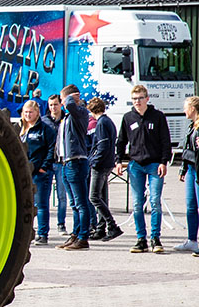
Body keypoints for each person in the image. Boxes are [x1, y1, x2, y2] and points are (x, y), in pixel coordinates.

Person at [116, 84, 172, 254]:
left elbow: (165, 141)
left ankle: (155, 238)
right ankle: (141, 239)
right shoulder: (128, 118)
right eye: (134, 99)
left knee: (155, 201)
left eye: (140, 98)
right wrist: (119, 160)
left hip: (154, 164)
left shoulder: (157, 117)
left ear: (147, 99)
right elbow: (121, 141)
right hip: (135, 165)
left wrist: (164, 161)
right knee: (137, 203)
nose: (137, 102)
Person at [56, 84, 93, 250]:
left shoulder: (80, 112)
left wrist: (71, 98)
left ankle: (83, 237)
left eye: (63, 100)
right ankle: (76, 233)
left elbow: (71, 105)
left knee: (81, 203)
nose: (63, 104)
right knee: (74, 204)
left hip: (77, 161)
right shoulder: (68, 117)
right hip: (66, 162)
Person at [19, 100, 56, 245]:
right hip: (24, 172)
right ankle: (28, 232)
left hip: (39, 172)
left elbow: (51, 148)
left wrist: (44, 167)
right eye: (26, 112)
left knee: (41, 204)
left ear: (37, 112)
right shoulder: (21, 128)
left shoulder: (45, 129)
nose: (28, 115)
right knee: (26, 204)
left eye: (31, 112)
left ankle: (42, 234)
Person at [86, 97, 122, 242]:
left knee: (93, 197)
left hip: (100, 165)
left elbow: (102, 145)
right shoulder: (108, 121)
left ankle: (112, 225)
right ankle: (102, 228)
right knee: (101, 196)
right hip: (107, 163)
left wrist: (93, 162)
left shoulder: (101, 123)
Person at [175, 96, 199, 253]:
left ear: (193, 109)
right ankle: (192, 240)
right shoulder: (191, 126)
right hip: (190, 168)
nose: (184, 110)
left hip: (198, 168)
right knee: (190, 205)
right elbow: (186, 149)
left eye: (186, 107)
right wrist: (183, 168)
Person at [46, 94, 67, 233]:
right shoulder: (44, 121)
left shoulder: (66, 120)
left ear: (61, 105)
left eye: (55, 104)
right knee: (43, 198)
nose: (53, 107)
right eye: (51, 105)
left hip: (61, 163)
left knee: (62, 196)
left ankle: (61, 224)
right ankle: (43, 227)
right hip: (47, 164)